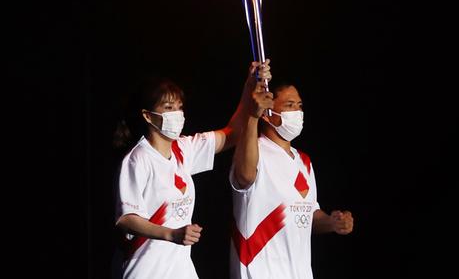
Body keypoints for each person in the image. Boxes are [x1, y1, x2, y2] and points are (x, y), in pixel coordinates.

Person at [113, 60, 273, 279]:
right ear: (148, 115)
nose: (177, 114)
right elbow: (126, 219)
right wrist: (171, 233)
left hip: (181, 270)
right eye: (168, 108)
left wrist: (249, 87)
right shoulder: (138, 159)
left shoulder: (183, 149)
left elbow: (233, 133)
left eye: (179, 107)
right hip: (146, 271)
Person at [229, 81, 354, 279]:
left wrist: (332, 222)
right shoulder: (253, 151)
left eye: (299, 105)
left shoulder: (304, 162)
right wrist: (252, 116)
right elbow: (244, 176)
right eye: (289, 105)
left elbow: (309, 214)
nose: (297, 111)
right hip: (259, 272)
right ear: (267, 113)